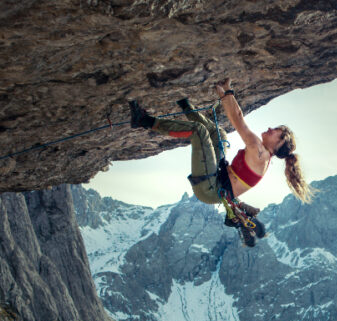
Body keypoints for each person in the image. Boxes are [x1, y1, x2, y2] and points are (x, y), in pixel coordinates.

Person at [128, 78, 313, 246]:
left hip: (210, 188)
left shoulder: (260, 152)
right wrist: (226, 93)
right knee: (220, 134)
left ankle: (144, 120)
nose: (271, 129)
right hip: (217, 180)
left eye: (277, 132)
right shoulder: (263, 156)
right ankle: (184, 104)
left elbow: (238, 119)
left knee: (199, 131)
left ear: (279, 144)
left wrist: (227, 92)